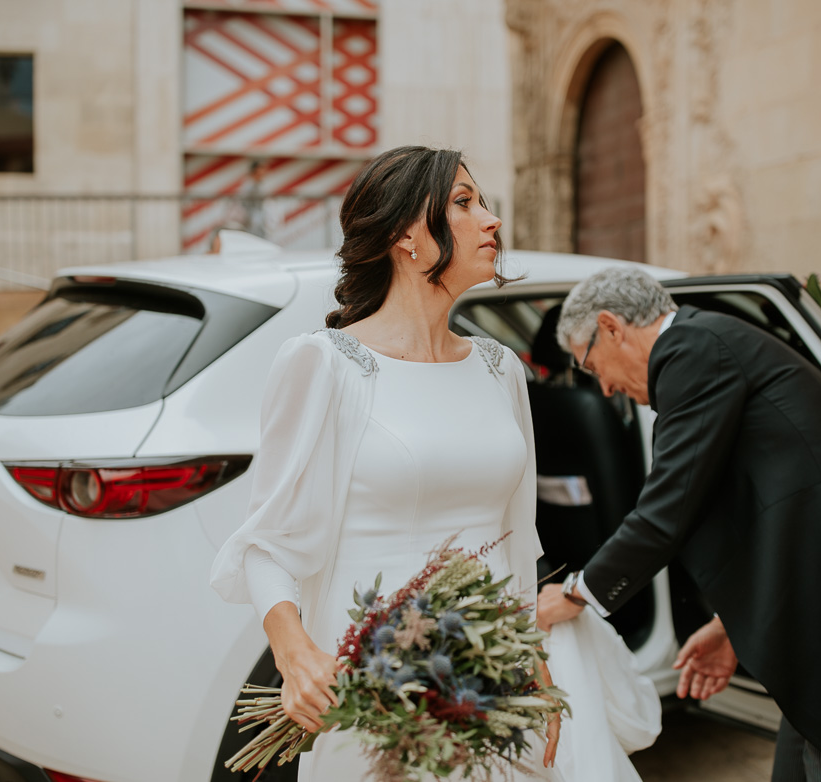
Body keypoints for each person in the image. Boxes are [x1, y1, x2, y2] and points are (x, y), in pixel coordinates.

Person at [209, 147, 659, 782]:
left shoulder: (501, 368)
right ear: (405, 236)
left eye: (485, 203)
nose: (492, 221)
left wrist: (534, 665)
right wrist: (295, 654)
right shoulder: (324, 363)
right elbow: (266, 543)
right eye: (465, 204)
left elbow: (515, 538)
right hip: (373, 691)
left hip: (492, 683)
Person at [537, 266, 821, 782]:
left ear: (612, 328)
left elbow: (668, 509)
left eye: (591, 367)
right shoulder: (705, 346)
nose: (606, 388)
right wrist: (729, 625)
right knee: (818, 754)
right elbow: (765, 501)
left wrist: (576, 593)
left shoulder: (692, 349)